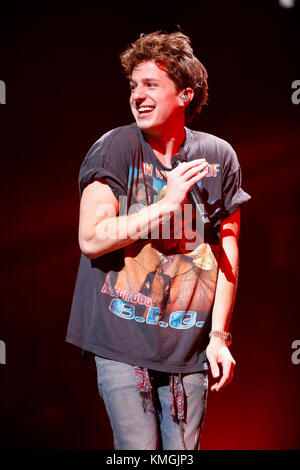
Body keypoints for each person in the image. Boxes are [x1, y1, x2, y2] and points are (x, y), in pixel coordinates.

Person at [66, 30, 251, 450]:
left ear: (185, 94)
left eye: (151, 84)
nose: (138, 94)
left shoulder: (219, 157)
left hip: (187, 345)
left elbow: (228, 252)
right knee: (138, 451)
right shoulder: (115, 148)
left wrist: (218, 338)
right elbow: (91, 238)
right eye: (134, 85)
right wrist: (164, 205)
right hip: (121, 340)